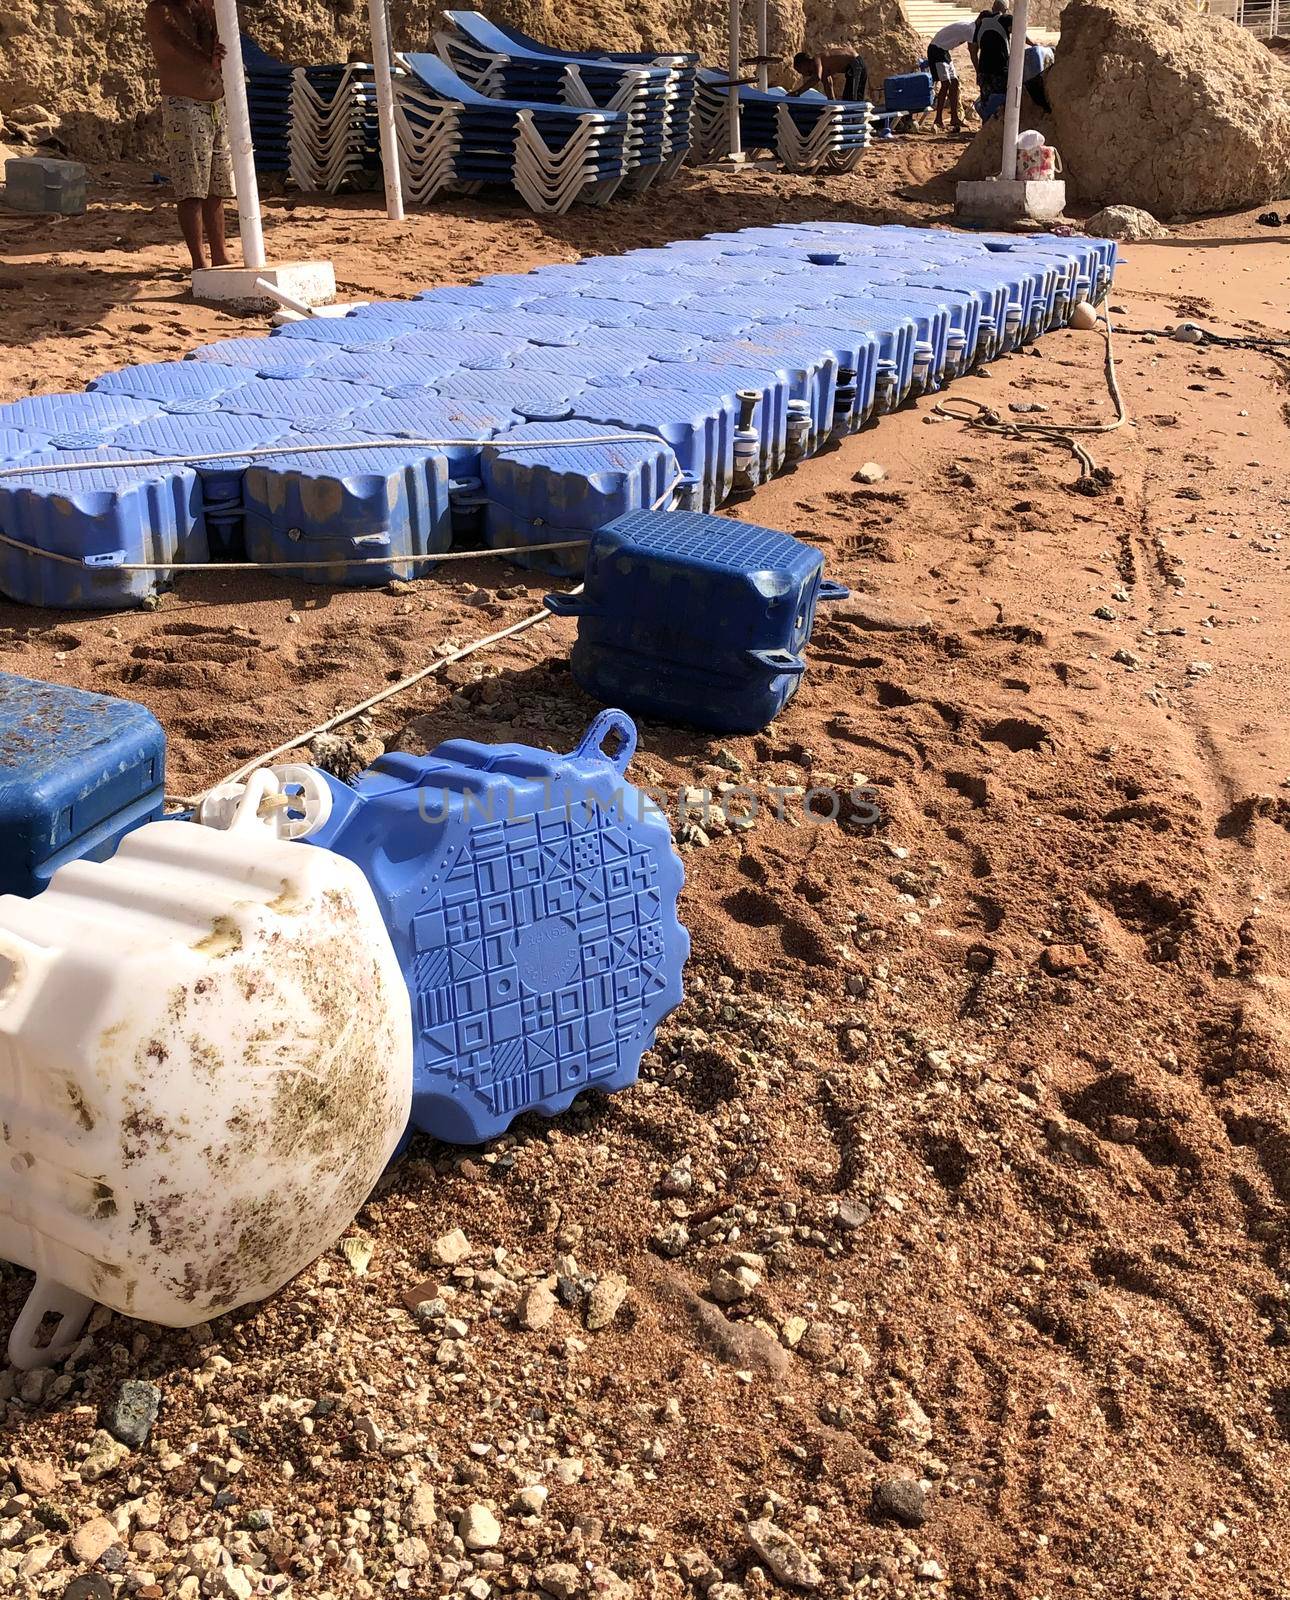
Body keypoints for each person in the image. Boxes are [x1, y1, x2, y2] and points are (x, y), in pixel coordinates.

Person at [144, 0, 234, 272]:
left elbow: (218, 39)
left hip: (215, 102)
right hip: (184, 102)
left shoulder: (202, 8)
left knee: (216, 186)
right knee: (191, 187)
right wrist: (209, 59)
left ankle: (220, 254)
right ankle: (199, 260)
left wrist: (210, 13)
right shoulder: (160, 9)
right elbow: (179, 44)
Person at [926, 19, 974, 133]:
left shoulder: (970, 26)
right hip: (936, 50)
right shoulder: (971, 30)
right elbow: (973, 51)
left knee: (955, 82)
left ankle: (954, 118)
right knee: (946, 83)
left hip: (944, 50)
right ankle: (938, 118)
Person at [971, 0, 1013, 104]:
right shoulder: (1007, 19)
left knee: (987, 103)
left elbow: (973, 51)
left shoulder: (981, 23)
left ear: (993, 8)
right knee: (1002, 103)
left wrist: (978, 71)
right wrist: (1033, 44)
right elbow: (1021, 33)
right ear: (1006, 10)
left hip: (984, 71)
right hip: (1000, 71)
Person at [791, 49, 869, 103]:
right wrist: (832, 105)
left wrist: (797, 92)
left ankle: (856, 121)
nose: (803, 74)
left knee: (853, 99)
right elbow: (828, 85)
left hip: (856, 64)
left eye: (800, 71)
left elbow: (817, 78)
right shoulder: (824, 70)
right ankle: (852, 120)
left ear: (803, 64)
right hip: (851, 69)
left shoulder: (817, 59)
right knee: (847, 98)